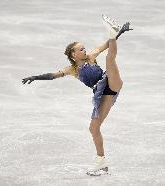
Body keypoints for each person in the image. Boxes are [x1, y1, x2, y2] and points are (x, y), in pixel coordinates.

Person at [22, 15, 132, 176]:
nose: (84, 50)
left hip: (111, 81)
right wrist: (35, 77)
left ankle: (111, 31)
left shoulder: (92, 56)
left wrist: (119, 32)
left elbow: (107, 45)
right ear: (73, 55)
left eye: (83, 47)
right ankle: (101, 161)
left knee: (110, 59)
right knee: (93, 128)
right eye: (80, 49)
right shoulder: (71, 69)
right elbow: (53, 75)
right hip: (103, 94)